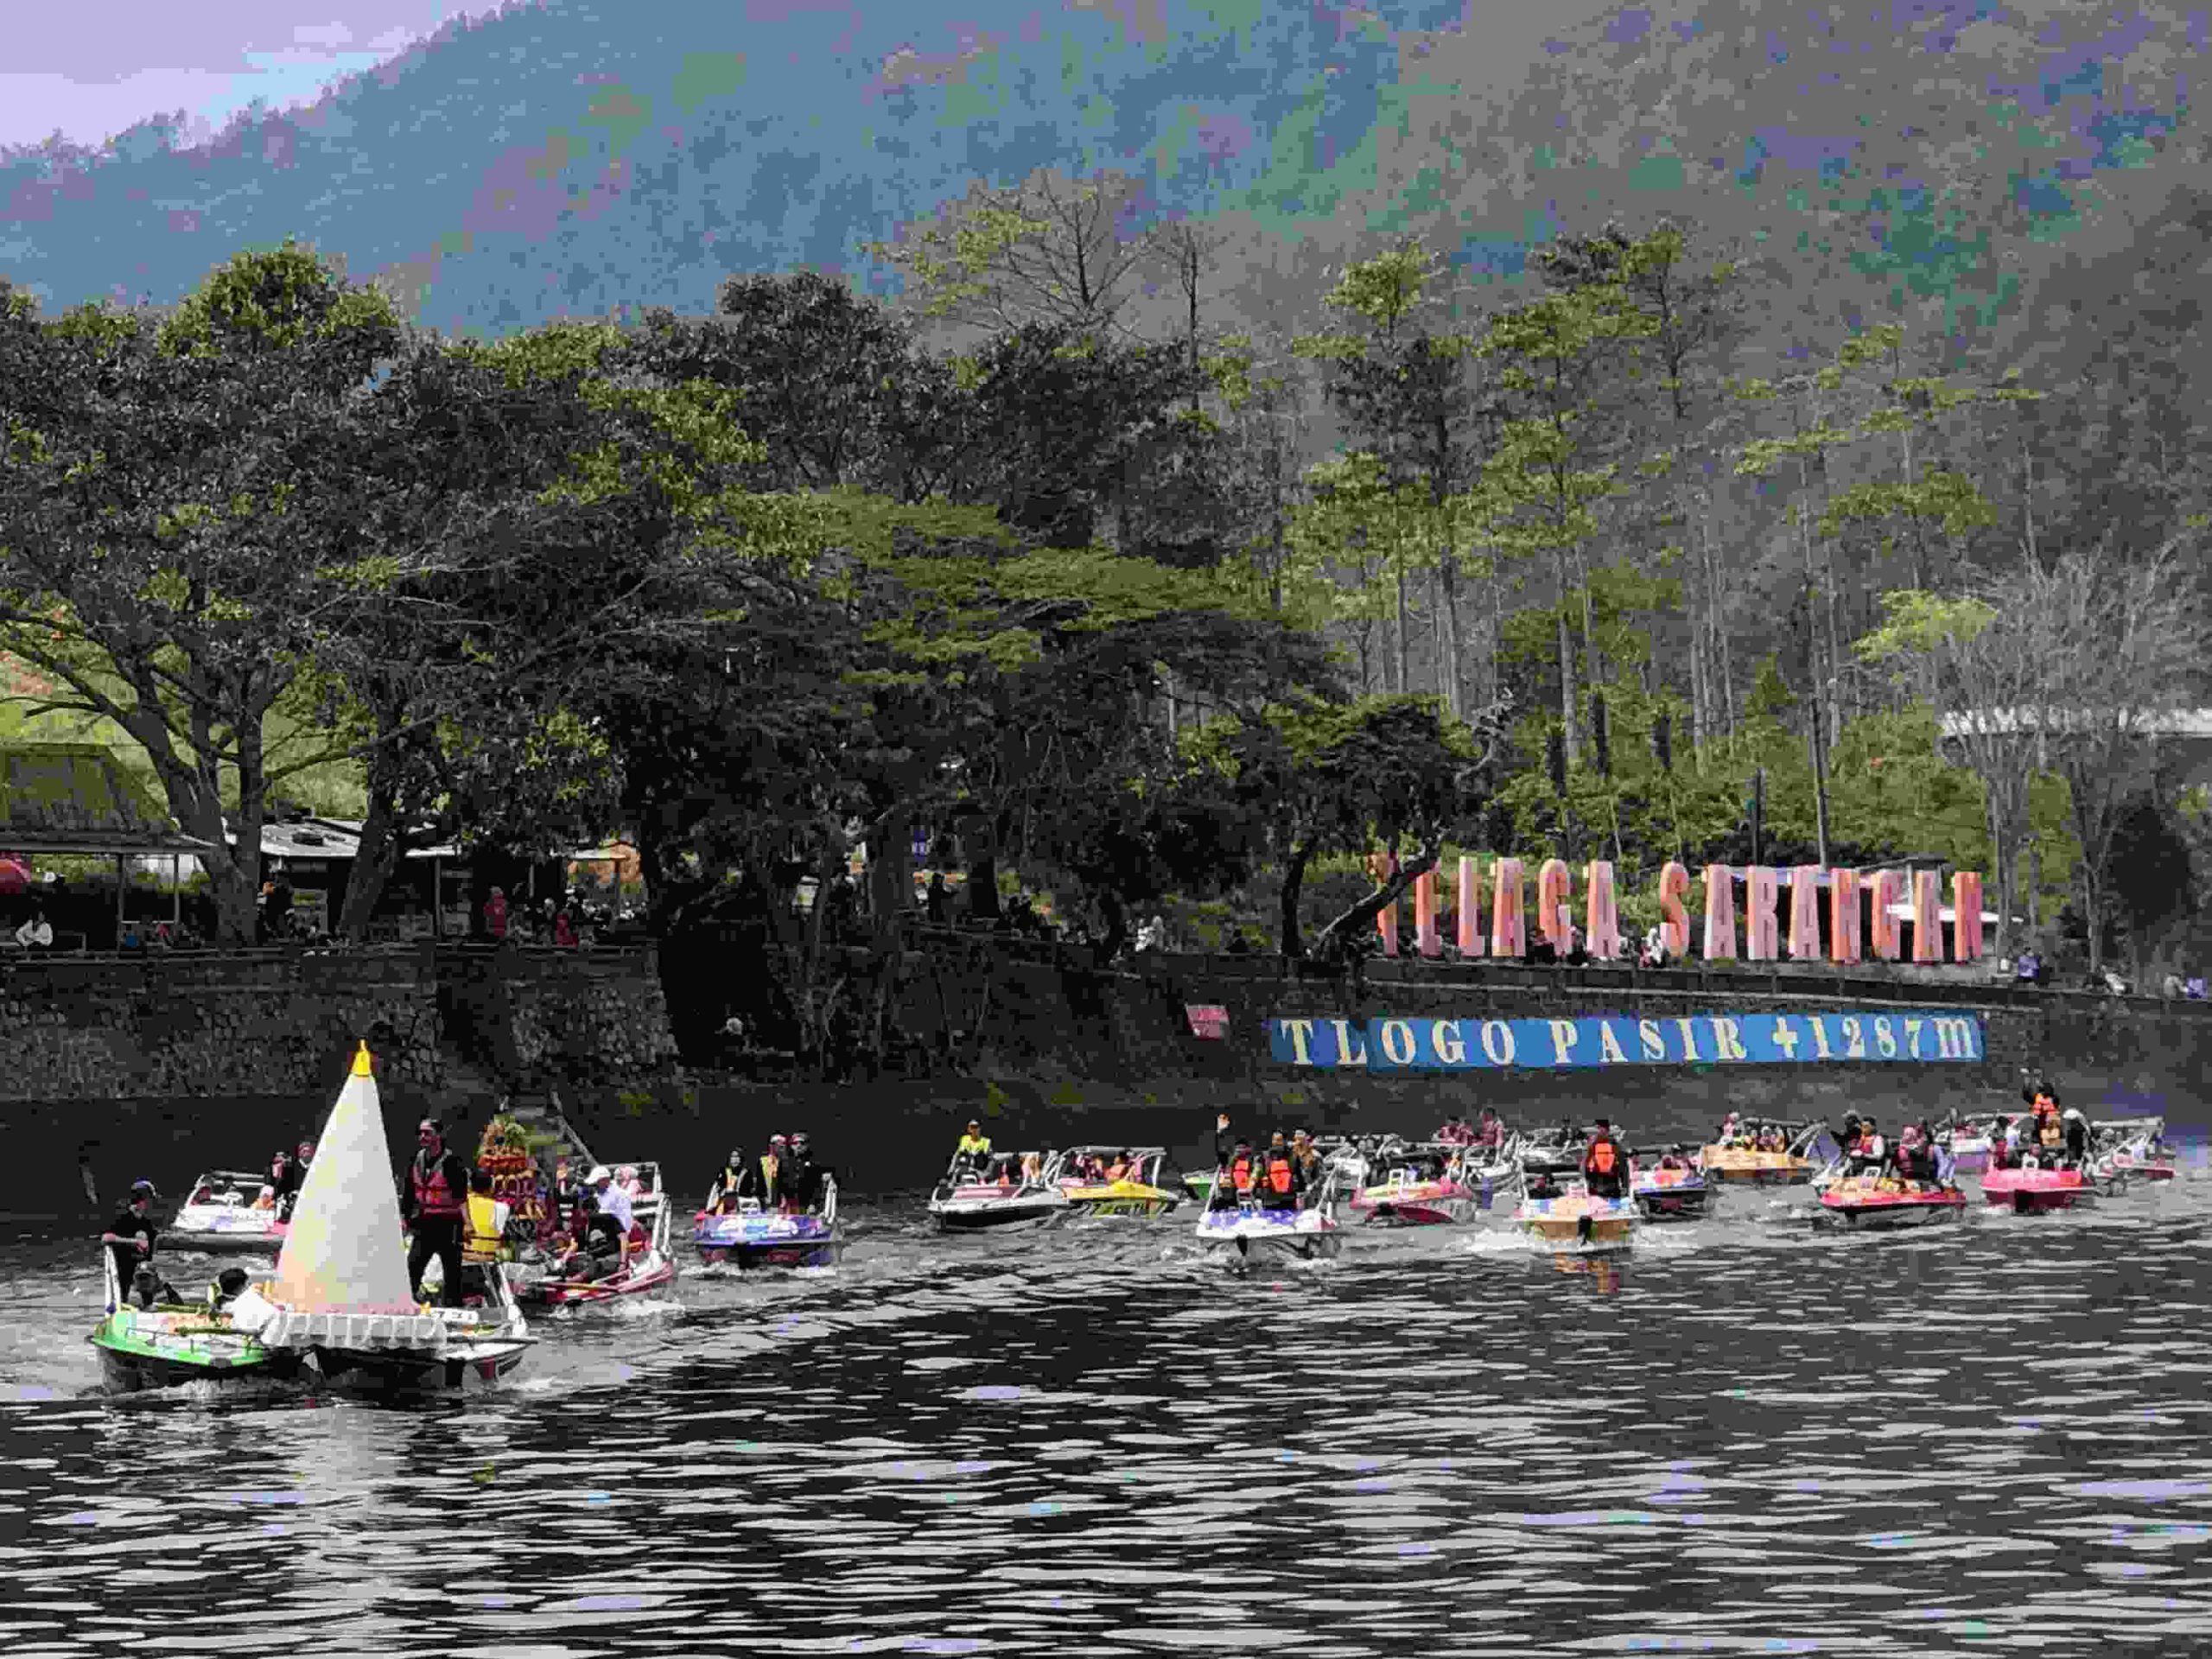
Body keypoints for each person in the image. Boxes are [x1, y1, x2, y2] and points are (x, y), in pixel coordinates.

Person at [399, 1120, 472, 1308]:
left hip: (449, 1224)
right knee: (413, 1266)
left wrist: (468, 1223)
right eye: (421, 1133)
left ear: (438, 1135)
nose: (423, 1137)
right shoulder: (416, 1159)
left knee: (452, 1270)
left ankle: (453, 1307)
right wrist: (404, 1218)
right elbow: (408, 1192)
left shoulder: (452, 1162)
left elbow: (461, 1197)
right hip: (425, 1222)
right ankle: (406, 1303)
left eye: (428, 1133)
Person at [102, 1179, 161, 1290]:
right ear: (144, 1201)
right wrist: (135, 1242)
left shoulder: (147, 1223)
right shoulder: (122, 1217)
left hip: (145, 1275)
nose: (154, 1205)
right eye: (152, 1201)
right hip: (124, 1275)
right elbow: (105, 1238)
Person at [462, 1168, 512, 1265]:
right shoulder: (501, 1208)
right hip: (487, 1262)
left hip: (461, 1260)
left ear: (470, 1186)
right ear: (491, 1187)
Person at [585, 1165, 635, 1240]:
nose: (594, 1187)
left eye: (596, 1184)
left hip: (619, 1235)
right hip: (607, 1231)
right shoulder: (599, 1194)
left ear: (604, 1181)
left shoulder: (619, 1194)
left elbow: (625, 1220)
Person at [1582, 1120, 1627, 1200]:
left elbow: (1623, 1166)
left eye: (1599, 1128)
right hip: (1598, 1186)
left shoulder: (1614, 1145)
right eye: (1597, 1128)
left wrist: (1624, 1185)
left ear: (1605, 1129)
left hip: (1608, 1185)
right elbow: (1586, 1166)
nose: (1598, 1131)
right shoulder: (1593, 1145)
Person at [1213, 1140, 1256, 1209]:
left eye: (1242, 1148)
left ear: (1247, 1149)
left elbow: (1255, 1176)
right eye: (1238, 1148)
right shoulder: (1230, 1161)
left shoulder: (1251, 1161)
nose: (1239, 1150)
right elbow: (1219, 1152)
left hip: (1247, 1193)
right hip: (1232, 1194)